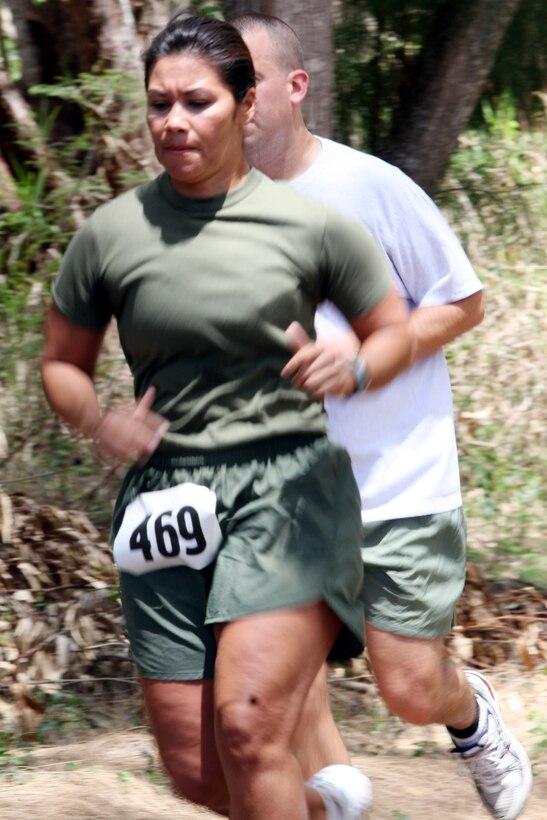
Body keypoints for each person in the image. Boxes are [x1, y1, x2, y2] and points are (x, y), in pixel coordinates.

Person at [41, 14, 414, 820]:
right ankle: (321, 811)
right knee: (197, 773)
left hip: (287, 490)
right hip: (163, 496)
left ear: (247, 107)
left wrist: (350, 366)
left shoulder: (310, 227)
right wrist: (99, 419)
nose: (174, 122)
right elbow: (61, 367)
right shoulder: (111, 235)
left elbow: (394, 331)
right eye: (158, 104)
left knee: (246, 726)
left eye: (197, 102)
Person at [229, 12, 533, 820]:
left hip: (396, 482)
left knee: (406, 688)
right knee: (273, 681)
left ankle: (468, 715)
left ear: (296, 89)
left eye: (249, 79)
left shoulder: (369, 188)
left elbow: (460, 304)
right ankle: (337, 804)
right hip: (281, 490)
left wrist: (362, 364)